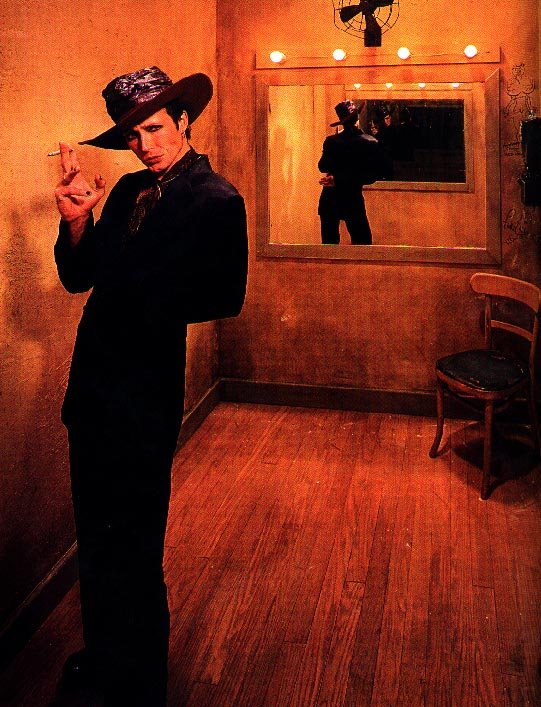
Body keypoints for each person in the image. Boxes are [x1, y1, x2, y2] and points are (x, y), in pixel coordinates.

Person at [52, 66, 248, 706]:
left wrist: (136, 293)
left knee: (134, 548)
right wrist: (76, 222)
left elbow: (226, 296)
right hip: (92, 391)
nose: (144, 146)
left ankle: (139, 689)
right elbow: (80, 276)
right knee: (95, 537)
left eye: (155, 129)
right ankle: (101, 663)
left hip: (144, 397)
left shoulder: (216, 199)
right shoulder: (128, 190)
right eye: (133, 136)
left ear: (184, 121)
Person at [318, 100, 391, 245]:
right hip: (352, 197)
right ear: (357, 118)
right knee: (363, 243)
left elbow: (323, 166)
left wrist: (336, 177)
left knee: (329, 246)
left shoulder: (332, 141)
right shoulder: (369, 142)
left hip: (330, 197)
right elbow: (372, 175)